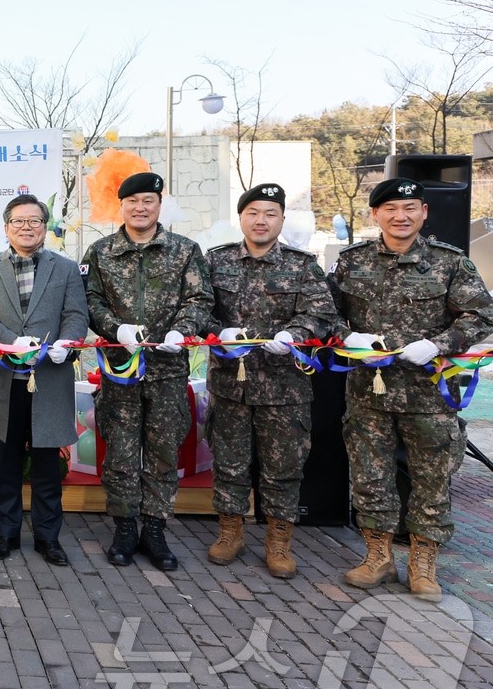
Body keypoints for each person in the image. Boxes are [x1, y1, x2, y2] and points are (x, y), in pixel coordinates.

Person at [329, 177, 493, 600]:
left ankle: (423, 565)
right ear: (376, 215)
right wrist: (348, 337)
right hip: (370, 394)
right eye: (390, 210)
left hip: (429, 396)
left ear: (424, 212)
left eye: (409, 209)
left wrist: (437, 345)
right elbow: (322, 312)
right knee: (370, 478)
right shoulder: (352, 262)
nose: (400, 217)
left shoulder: (449, 263)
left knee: (432, 481)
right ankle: (378, 558)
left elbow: (480, 316)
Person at [82, 172, 213, 571]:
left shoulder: (184, 250)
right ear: (120, 206)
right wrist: (113, 328)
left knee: (162, 451)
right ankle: (124, 528)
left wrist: (183, 329)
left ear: (159, 205)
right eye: (132, 201)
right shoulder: (101, 252)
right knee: (119, 453)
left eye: (148, 201)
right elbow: (89, 300)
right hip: (120, 369)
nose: (140, 208)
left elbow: (200, 297)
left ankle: (154, 529)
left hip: (168, 370)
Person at [204, 184, 338, 578]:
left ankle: (279, 541)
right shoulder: (216, 261)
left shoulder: (301, 265)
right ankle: (231, 532)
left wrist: (294, 335)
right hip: (231, 384)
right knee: (229, 463)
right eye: (253, 213)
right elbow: (196, 308)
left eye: (270, 214)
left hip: (285, 387)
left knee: (284, 467)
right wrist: (217, 332)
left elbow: (322, 315)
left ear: (281, 219)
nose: (261, 220)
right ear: (241, 217)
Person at [0, 193, 89, 567]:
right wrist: (9, 341)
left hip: (49, 374)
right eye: (18, 221)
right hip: (5, 376)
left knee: (46, 460)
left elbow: (76, 314)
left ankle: (47, 536)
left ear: (44, 226)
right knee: (6, 459)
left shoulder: (66, 268)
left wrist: (67, 345)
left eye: (34, 221)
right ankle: (6, 533)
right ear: (6, 228)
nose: (26, 227)